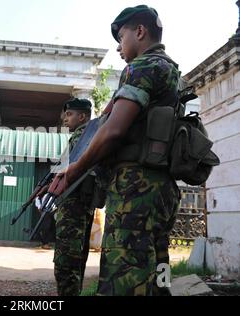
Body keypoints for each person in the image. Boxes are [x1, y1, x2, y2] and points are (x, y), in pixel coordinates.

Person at [51, 5, 181, 296]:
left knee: (123, 278)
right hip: (162, 188)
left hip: (135, 191)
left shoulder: (142, 67)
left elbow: (114, 130)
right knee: (158, 271)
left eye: (121, 37)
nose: (119, 47)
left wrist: (75, 168)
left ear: (140, 31)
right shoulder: (171, 71)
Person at [53, 98, 97, 296]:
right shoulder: (90, 134)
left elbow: (70, 171)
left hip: (73, 203)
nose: (65, 119)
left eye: (69, 115)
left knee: (66, 260)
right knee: (77, 258)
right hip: (81, 202)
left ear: (83, 116)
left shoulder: (83, 134)